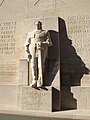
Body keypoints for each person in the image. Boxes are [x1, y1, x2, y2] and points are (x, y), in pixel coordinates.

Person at [24, 21, 52, 88]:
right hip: (32, 48)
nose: (37, 25)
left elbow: (50, 43)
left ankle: (40, 81)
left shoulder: (45, 32)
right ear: (34, 25)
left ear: (41, 25)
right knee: (33, 64)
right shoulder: (30, 33)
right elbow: (26, 44)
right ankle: (34, 80)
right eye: (36, 24)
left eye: (39, 24)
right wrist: (27, 53)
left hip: (41, 49)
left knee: (40, 65)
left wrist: (43, 43)